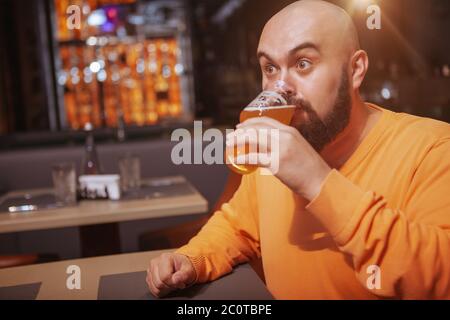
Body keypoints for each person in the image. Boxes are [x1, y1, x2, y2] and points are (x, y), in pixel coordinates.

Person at [146, 0, 450, 299]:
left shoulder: (432, 148)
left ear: (355, 69)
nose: (281, 86)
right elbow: (238, 228)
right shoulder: (274, 152)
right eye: (270, 67)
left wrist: (317, 182)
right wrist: (191, 260)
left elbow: (439, 279)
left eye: (303, 63)